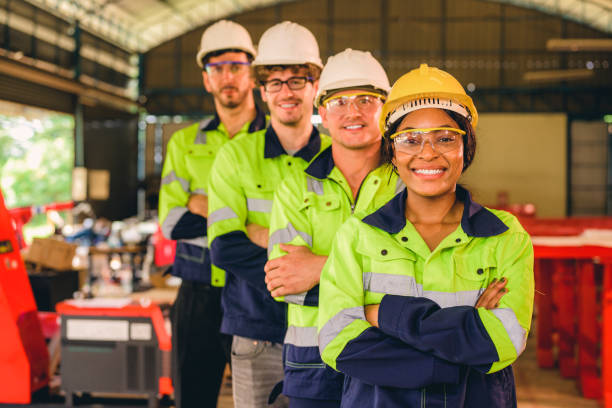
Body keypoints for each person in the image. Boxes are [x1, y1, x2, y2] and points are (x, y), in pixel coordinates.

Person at [317, 63, 534, 407]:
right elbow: (337, 343)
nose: (428, 152)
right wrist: (465, 330)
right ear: (392, 150)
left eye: (445, 138)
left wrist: (380, 314)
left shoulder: (505, 237)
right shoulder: (358, 236)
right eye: (410, 139)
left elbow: (503, 341)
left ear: (467, 146)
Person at [265, 48, 404, 408]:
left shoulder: (410, 184)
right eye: (339, 101)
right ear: (322, 113)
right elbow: (286, 285)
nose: (353, 112)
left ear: (386, 111)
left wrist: (320, 267)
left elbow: (424, 283)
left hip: (391, 357)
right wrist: (382, 287)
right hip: (313, 364)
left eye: (366, 99)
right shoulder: (295, 188)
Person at [207, 21, 329, 408]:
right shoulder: (235, 156)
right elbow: (226, 248)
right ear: (261, 90)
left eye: (297, 80)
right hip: (258, 334)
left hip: (326, 331)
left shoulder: (339, 158)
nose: (286, 92)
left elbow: (355, 241)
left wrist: (261, 232)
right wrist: (303, 272)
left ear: (316, 86)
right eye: (275, 82)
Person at [158, 20, 266, 408]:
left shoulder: (276, 140)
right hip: (198, 293)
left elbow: (286, 223)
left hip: (258, 290)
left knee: (263, 397)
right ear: (206, 79)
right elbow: (172, 222)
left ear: (252, 73)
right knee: (193, 399)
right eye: (216, 68)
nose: (227, 76)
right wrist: (245, 221)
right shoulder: (185, 144)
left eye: (236, 66)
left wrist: (205, 204)